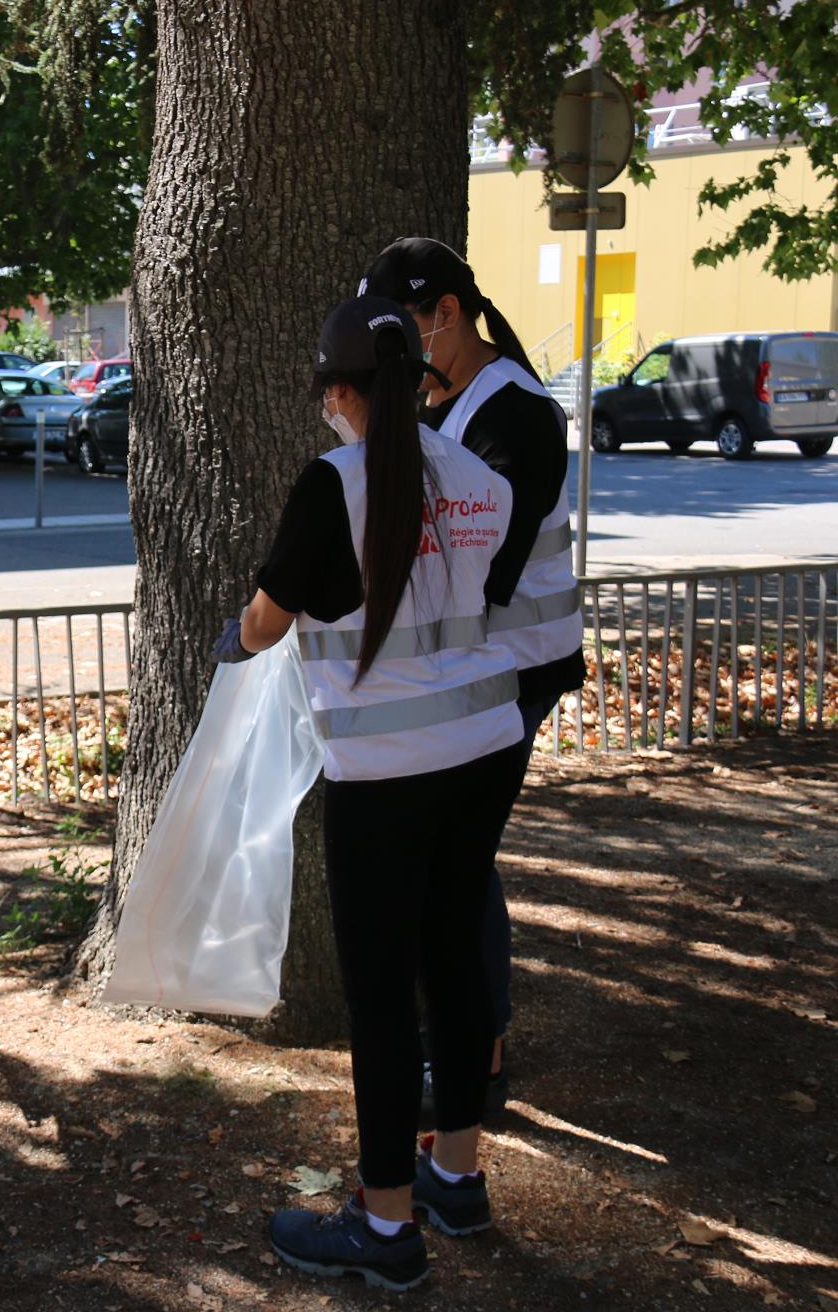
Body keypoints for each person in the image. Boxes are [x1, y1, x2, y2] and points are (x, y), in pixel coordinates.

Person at [231, 298, 525, 1291]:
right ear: (423, 386)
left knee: (381, 997)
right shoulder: (480, 479)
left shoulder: (337, 485)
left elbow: (268, 621)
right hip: (481, 755)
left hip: (384, 775)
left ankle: (388, 1228)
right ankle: (458, 1175)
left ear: (342, 392)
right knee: (453, 960)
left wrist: (234, 636)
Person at [358, 238, 585, 1108]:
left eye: (405, 330)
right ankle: (461, 1049)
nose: (398, 356)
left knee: (456, 869)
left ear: (446, 314)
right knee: (451, 866)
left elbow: (484, 569)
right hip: (471, 666)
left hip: (513, 669)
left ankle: (477, 1060)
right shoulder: (443, 399)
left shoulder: (516, 415)